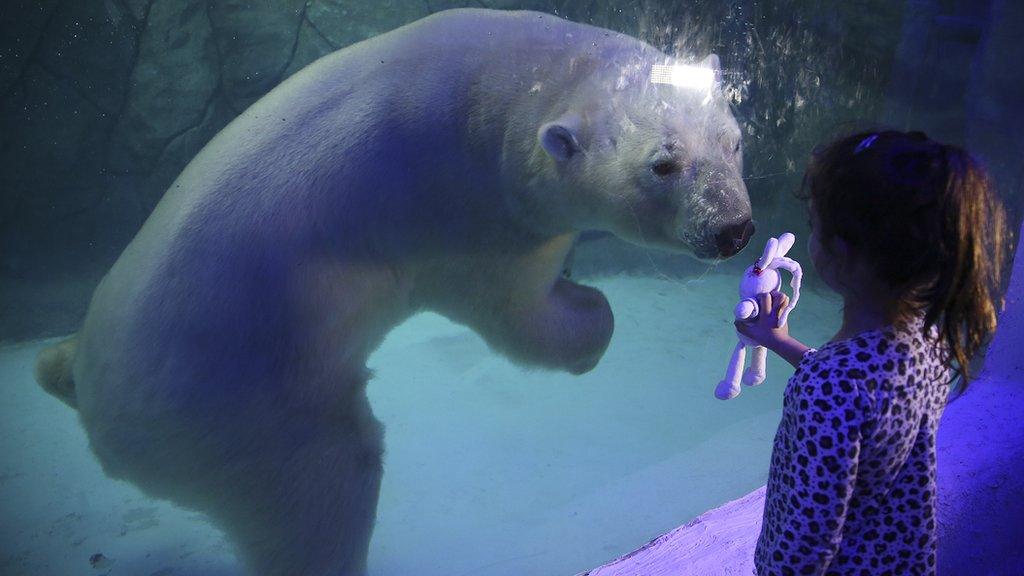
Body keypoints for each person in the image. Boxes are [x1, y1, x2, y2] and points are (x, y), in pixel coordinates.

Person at [735, 130, 1012, 575]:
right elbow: (864, 398)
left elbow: (806, 544)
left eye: (815, 226)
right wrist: (780, 341)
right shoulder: (931, 340)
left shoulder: (828, 388)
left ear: (838, 250)